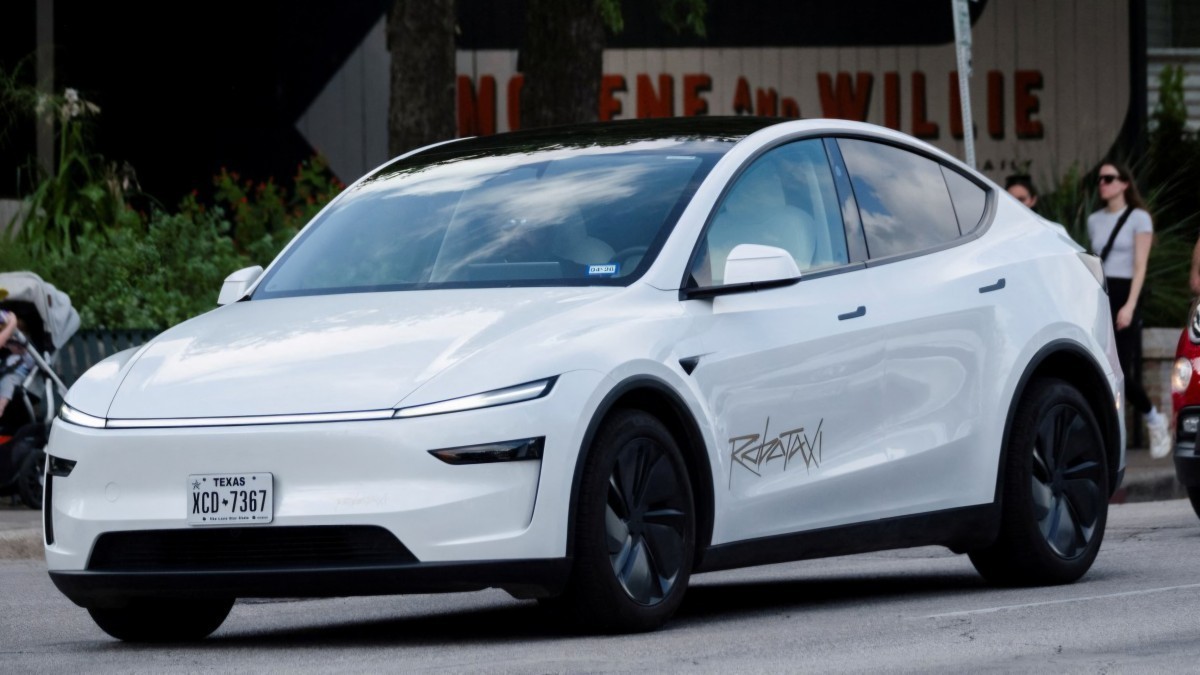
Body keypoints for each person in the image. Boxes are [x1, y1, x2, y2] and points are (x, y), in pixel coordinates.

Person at [1086, 161, 1170, 458]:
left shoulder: (1138, 218)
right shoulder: (1094, 220)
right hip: (1101, 292)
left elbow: (1140, 265)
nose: (1102, 184)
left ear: (1124, 183)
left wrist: (1130, 305)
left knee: (1120, 369)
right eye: (1099, 179)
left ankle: (1154, 419)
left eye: (1109, 178)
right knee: (1102, 368)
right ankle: (1111, 437)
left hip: (1126, 294)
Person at [0, 310, 32, 419]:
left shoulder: (27, 355)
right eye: (10, 343)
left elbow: (32, 365)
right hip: (4, 373)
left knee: (8, 381)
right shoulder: (9, 357)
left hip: (17, 376)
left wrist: (24, 352)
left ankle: (1, 406)